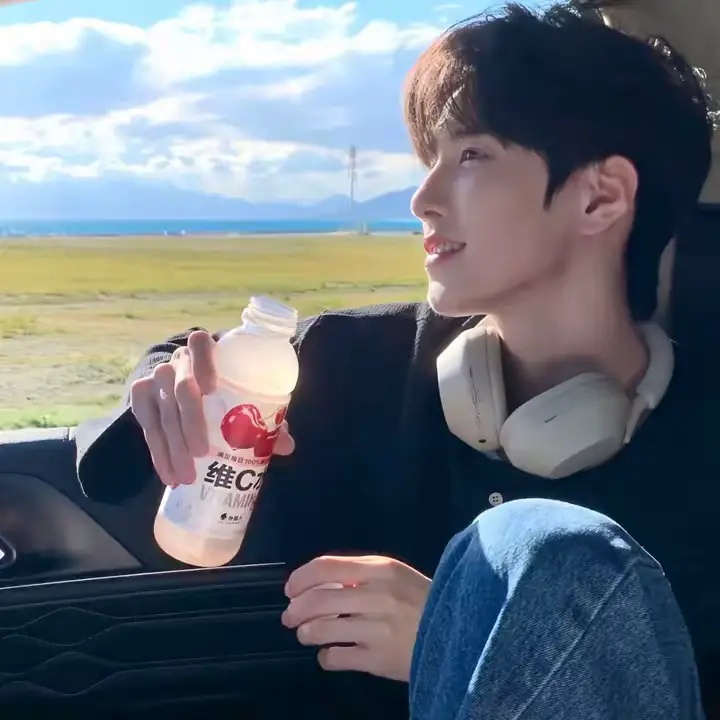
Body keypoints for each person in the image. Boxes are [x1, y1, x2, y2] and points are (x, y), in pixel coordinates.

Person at [74, 2, 720, 717]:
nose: (422, 199)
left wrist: (458, 644)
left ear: (600, 198)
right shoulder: (351, 369)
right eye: (429, 159)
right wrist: (166, 388)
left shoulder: (705, 449)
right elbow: (160, 390)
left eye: (471, 156)